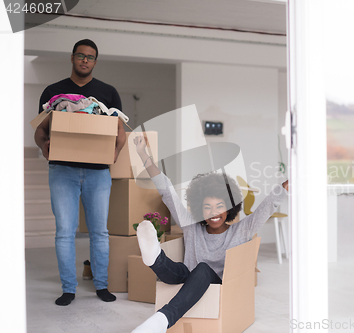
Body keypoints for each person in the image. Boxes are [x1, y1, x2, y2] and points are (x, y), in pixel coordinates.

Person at [131, 134, 289, 333]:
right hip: (185, 278)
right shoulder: (191, 227)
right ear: (199, 209)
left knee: (203, 269)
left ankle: (162, 320)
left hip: (214, 284)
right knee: (180, 270)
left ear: (229, 207)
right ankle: (154, 257)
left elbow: (265, 209)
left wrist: (285, 187)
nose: (214, 213)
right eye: (208, 207)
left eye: (219, 206)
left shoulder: (242, 230)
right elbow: (167, 191)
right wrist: (143, 154)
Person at [34, 39, 126, 306]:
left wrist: (115, 154)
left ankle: (101, 285)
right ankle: (68, 289)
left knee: (99, 232)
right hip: (62, 170)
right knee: (65, 231)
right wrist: (44, 146)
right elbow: (40, 130)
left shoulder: (108, 93)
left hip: (98, 172)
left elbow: (119, 132)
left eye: (90, 57)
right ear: (72, 57)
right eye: (80, 56)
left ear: (95, 61)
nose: (85, 60)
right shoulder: (54, 92)